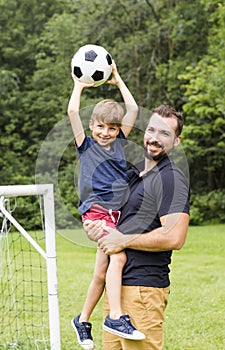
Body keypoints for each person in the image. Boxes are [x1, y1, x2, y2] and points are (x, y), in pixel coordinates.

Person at [84, 104, 190, 350]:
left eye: (164, 134)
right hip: (116, 291)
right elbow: (118, 223)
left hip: (143, 290)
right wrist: (97, 231)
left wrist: (124, 240)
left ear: (176, 141)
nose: (154, 138)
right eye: (151, 130)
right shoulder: (136, 174)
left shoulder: (170, 178)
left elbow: (175, 237)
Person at [67, 60, 145, 350]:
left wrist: (118, 80)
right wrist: (78, 85)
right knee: (120, 257)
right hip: (97, 216)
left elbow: (134, 110)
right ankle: (115, 315)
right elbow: (73, 111)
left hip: (116, 217)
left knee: (102, 272)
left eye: (112, 128)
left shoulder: (121, 144)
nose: (106, 132)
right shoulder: (85, 146)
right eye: (100, 126)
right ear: (92, 126)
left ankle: (82, 319)